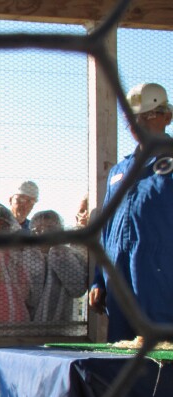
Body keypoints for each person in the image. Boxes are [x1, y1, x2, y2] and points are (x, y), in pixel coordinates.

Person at [89, 82, 173, 342]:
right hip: (118, 282)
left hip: (162, 280)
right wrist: (98, 280)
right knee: (121, 360)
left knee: (162, 359)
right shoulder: (119, 172)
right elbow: (107, 229)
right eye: (132, 119)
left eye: (147, 117)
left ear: (167, 116)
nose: (139, 125)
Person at [29, 210, 88, 322]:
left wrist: (59, 257)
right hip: (27, 328)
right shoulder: (26, 257)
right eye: (39, 229)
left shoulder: (68, 255)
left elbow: (78, 289)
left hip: (62, 326)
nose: (44, 232)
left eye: (50, 228)